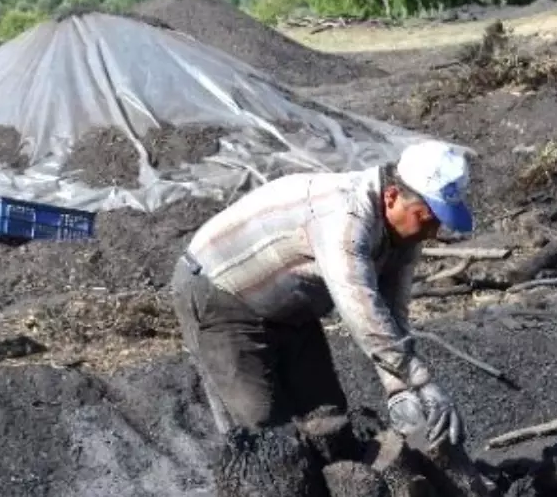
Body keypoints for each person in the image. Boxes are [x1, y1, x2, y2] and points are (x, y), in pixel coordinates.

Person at [170, 139, 473, 447]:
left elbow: (392, 310)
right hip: (220, 297)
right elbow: (361, 307)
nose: (433, 232)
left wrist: (399, 389)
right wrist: (420, 381)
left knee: (327, 418)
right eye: (427, 218)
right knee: (264, 433)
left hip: (290, 308)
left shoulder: (405, 235)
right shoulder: (343, 217)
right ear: (393, 196)